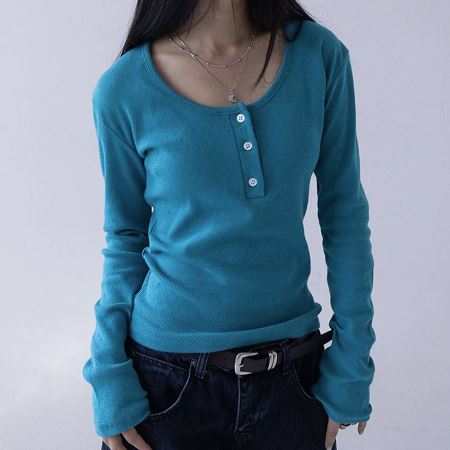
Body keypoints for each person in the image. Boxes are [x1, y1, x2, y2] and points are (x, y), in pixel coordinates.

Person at [81, 1, 376, 449]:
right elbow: (125, 238)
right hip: (164, 384)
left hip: (294, 379)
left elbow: (345, 216)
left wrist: (353, 363)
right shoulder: (123, 88)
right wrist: (108, 373)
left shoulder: (319, 57)